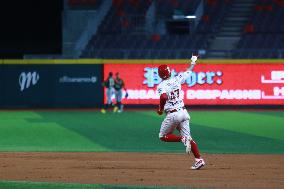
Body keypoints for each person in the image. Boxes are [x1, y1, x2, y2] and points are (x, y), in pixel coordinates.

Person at [156, 55, 205, 170]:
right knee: (189, 137)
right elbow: (189, 71)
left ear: (159, 75)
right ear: (169, 72)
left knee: (163, 136)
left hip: (173, 115)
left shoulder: (161, 85)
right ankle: (199, 160)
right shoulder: (177, 79)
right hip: (183, 112)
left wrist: (160, 109)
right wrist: (193, 61)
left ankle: (182, 139)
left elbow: (163, 97)